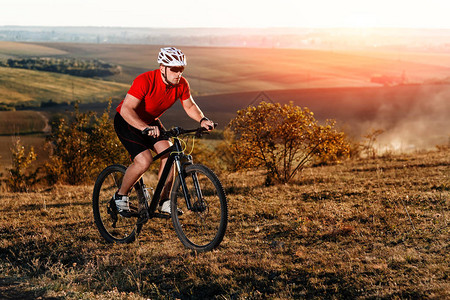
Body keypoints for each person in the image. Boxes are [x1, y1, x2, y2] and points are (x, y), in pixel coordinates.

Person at [113, 47, 215, 216]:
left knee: (169, 154)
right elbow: (126, 109)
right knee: (144, 161)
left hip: (150, 122)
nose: (178, 73)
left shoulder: (181, 84)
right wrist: (143, 128)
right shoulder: (145, 80)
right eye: (174, 69)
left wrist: (202, 120)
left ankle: (164, 201)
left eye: (181, 69)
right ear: (163, 68)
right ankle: (120, 196)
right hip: (127, 121)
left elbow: (189, 106)